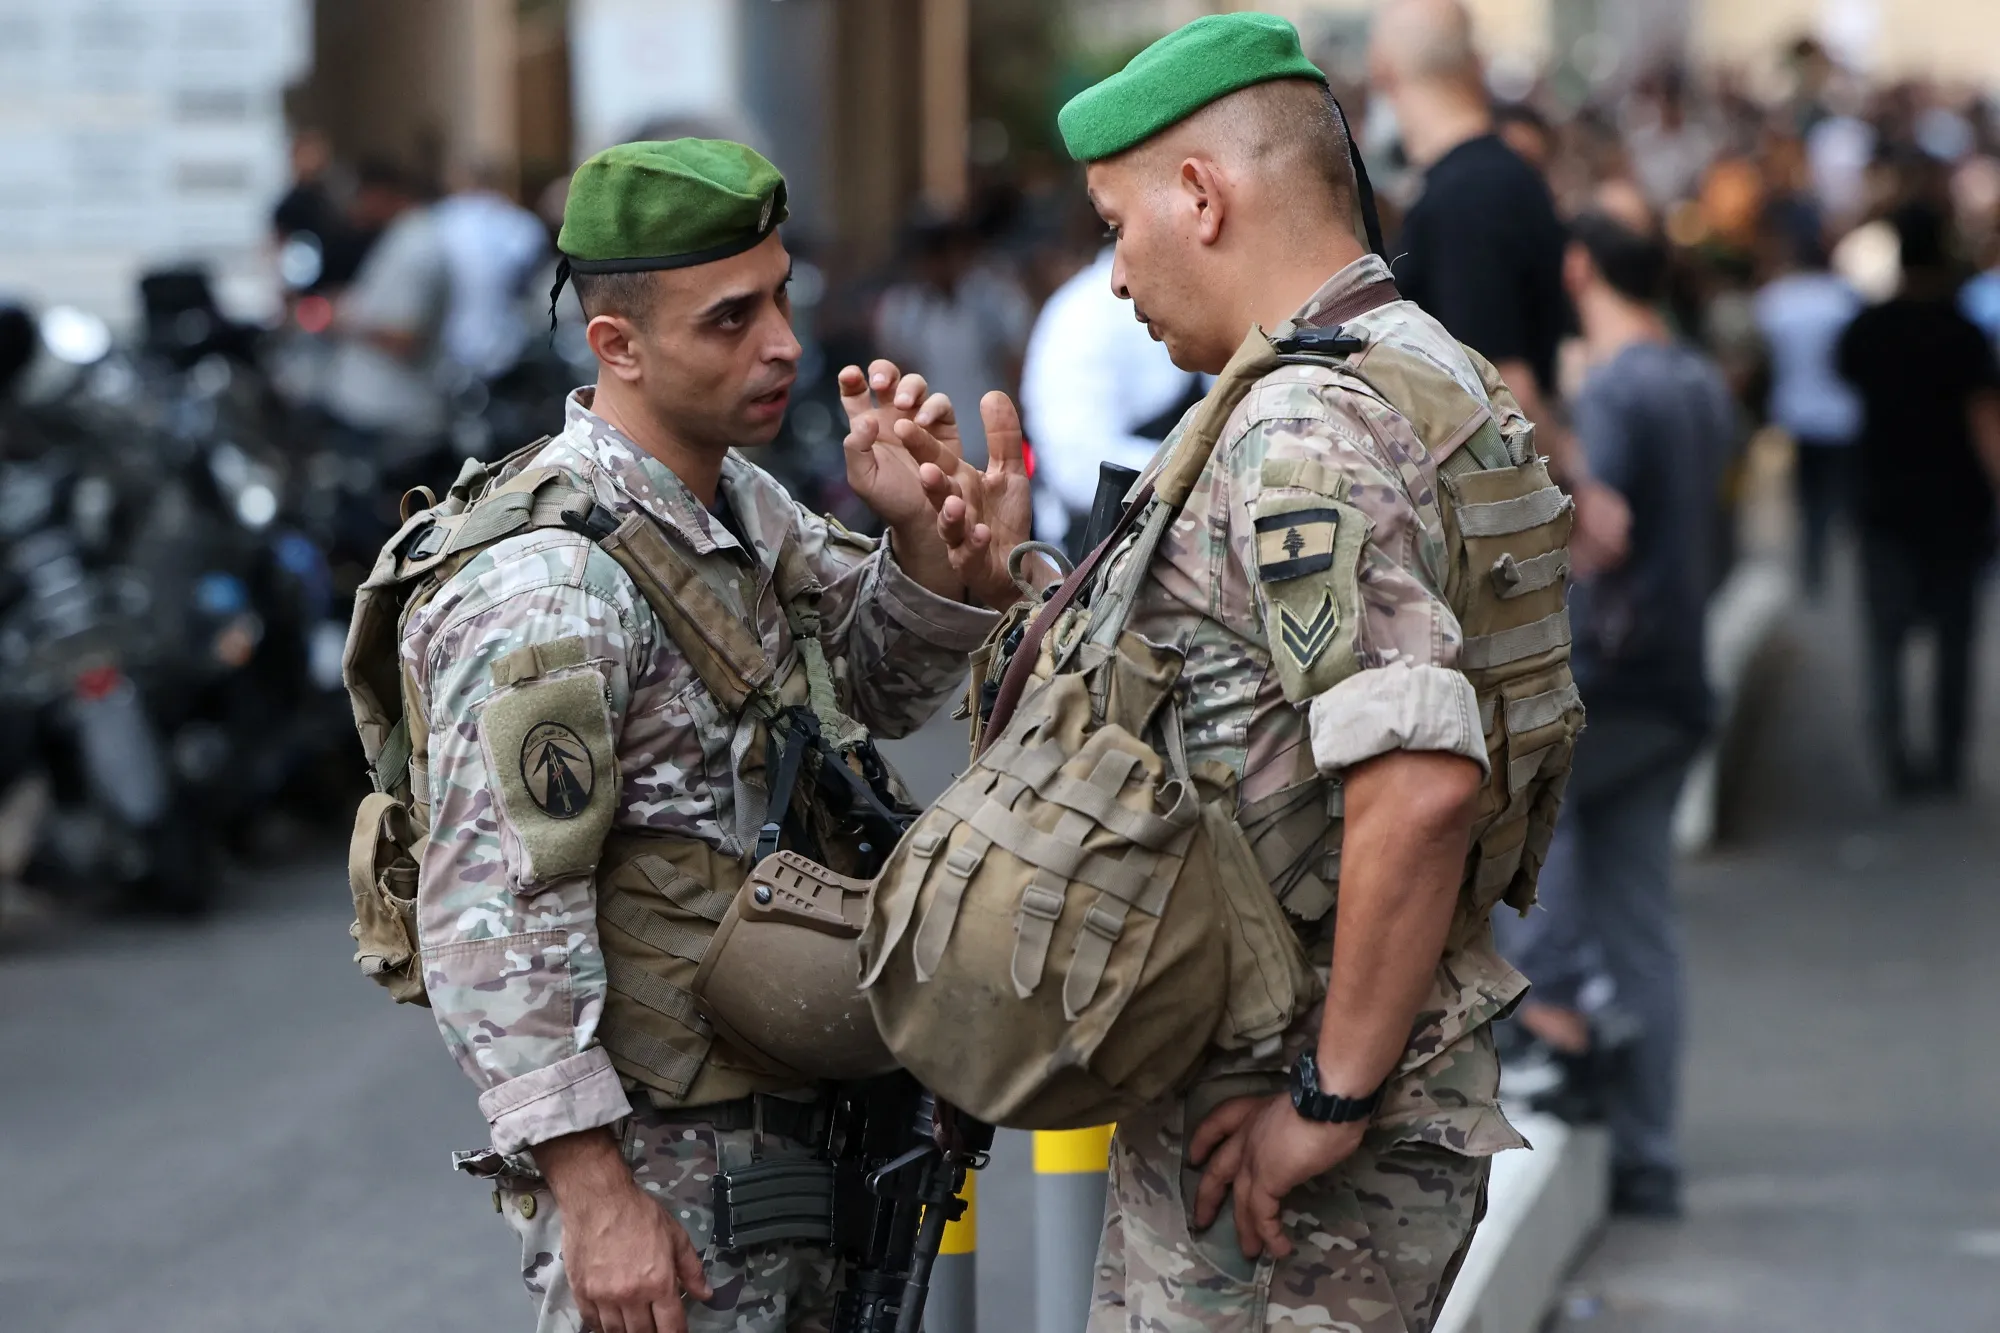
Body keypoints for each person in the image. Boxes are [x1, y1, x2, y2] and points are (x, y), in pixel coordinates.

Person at [901, 15, 1578, 1329]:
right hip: (1343, 1064)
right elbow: (1234, 687)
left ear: (1201, 197)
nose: (1112, 276)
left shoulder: (1304, 430)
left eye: (1115, 225)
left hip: (1289, 1123)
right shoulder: (1412, 367)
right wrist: (1012, 587)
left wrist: (1325, 1100)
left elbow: (1418, 779)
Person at [397, 140, 996, 1333]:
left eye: (782, 296)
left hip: (789, 1124)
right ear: (614, 344)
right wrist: (592, 1194)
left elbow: (880, 689)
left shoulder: (733, 503)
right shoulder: (547, 585)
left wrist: (927, 541)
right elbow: (494, 918)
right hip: (662, 1163)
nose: (780, 341)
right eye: (730, 318)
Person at [1495, 182, 1737, 1220]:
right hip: (1677, 682)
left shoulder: (1615, 394)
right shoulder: (1696, 381)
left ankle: (1564, 1025)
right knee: (1641, 921)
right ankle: (1646, 1155)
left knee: (1513, 856)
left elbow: (1595, 527)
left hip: (1604, 678)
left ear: (1577, 270)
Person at [1368, 0, 1632, 578]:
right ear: (1477, 64)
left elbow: (1503, 383)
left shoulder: (1467, 197)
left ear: (1383, 70)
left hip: (1494, 552)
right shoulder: (1500, 179)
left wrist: (1577, 495)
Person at [1837, 201, 2000, 796]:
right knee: (1956, 644)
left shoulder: (1868, 327)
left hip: (1884, 506)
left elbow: (1850, 387)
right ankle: (1949, 761)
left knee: (1886, 645)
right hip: (1958, 510)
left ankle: (1894, 761)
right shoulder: (1964, 332)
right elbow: (1985, 421)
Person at [1020, 245, 1204, 553]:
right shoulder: (1083, 315)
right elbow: (1074, 465)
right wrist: (1203, 473)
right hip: (1104, 546)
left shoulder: (1188, 293)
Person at [1753, 199, 1864, 593]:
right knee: (1841, 493)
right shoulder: (1846, 297)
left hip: (1795, 413)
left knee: (1808, 493)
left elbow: (1760, 358)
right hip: (1843, 414)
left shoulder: (1777, 300)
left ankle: (1813, 563)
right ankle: (1841, 562)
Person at [872, 214, 1033, 465]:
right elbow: (897, 378)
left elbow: (1015, 367)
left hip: (989, 441)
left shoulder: (995, 301)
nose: (940, 264)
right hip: (932, 446)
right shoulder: (903, 310)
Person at [318, 160, 451, 440]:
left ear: (379, 193)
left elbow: (405, 337)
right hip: (374, 410)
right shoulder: (401, 235)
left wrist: (342, 318)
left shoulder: (417, 248)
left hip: (393, 416)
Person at [433, 160, 550, 381]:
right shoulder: (520, 224)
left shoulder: (438, 221)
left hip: (445, 349)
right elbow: (533, 286)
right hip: (504, 346)